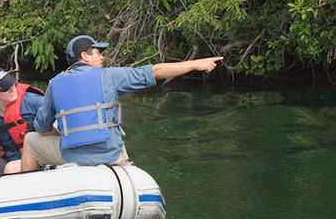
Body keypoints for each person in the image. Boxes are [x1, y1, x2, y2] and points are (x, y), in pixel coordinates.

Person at [21, 35, 223, 170]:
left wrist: (63, 135)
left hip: (72, 156)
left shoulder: (55, 84)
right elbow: (155, 71)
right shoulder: (109, 76)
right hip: (110, 156)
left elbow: (41, 127)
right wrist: (196, 64)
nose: (102, 56)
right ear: (85, 56)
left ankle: (29, 200)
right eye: (98, 52)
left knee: (30, 140)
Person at [0, 67, 45, 174]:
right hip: (7, 159)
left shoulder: (34, 101)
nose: (12, 89)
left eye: (12, 83)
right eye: (6, 88)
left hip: (38, 157)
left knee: (11, 168)